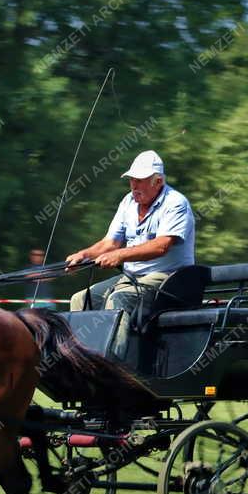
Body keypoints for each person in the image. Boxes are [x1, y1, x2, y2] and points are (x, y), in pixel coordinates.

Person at [65, 149, 195, 359]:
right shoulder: (128, 202)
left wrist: (120, 255)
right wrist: (83, 255)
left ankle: (112, 368)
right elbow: (111, 243)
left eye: (141, 180)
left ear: (158, 181)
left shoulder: (176, 203)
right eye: (132, 179)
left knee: (120, 298)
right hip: (132, 277)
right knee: (81, 299)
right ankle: (81, 362)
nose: (134, 185)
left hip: (169, 278)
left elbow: (161, 246)